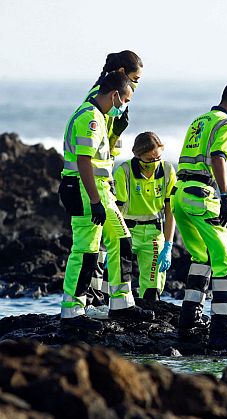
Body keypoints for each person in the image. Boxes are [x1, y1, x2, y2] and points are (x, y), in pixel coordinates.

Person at [58, 71, 153, 330]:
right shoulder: (89, 117)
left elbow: (102, 157)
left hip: (101, 190)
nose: (125, 106)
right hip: (84, 189)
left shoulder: (101, 117)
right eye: (126, 100)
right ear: (114, 96)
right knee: (86, 250)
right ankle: (72, 312)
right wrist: (94, 200)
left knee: (122, 239)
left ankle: (121, 304)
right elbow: (84, 161)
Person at [172, 81, 227, 352]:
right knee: (225, 262)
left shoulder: (199, 120)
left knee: (202, 257)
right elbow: (218, 157)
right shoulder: (226, 123)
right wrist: (226, 196)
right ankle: (222, 330)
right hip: (201, 197)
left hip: (180, 195)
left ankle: (189, 321)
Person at [85, 51, 144, 306]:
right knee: (101, 243)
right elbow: (93, 150)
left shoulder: (113, 101)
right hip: (96, 183)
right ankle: (95, 298)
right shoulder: (100, 101)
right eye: (135, 79)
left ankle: (99, 297)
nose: (137, 85)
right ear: (121, 73)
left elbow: (107, 147)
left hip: (103, 179)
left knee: (104, 242)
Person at [112, 132, 176, 301]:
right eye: (149, 159)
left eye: (158, 158)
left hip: (154, 234)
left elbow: (170, 210)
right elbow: (116, 209)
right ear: (137, 155)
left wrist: (168, 245)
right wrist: (110, 241)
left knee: (152, 290)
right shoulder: (124, 171)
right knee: (117, 280)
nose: (154, 163)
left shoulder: (167, 170)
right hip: (126, 231)